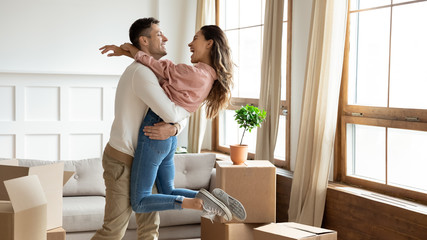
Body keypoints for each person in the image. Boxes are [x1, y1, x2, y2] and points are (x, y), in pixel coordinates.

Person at [94, 18, 236, 240]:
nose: (166, 38)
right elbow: (174, 112)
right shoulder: (142, 73)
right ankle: (202, 201)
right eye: (159, 34)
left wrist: (174, 129)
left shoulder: (162, 73)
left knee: (149, 228)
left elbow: (176, 113)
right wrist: (175, 125)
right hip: (124, 159)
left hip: (146, 153)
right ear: (144, 40)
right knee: (114, 230)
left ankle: (204, 200)